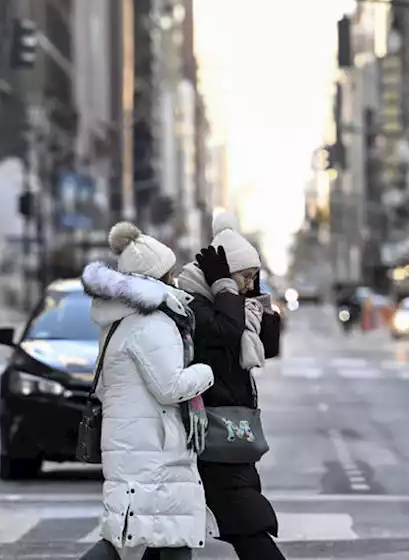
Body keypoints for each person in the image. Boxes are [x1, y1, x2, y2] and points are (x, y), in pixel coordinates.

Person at [78, 221, 215, 560]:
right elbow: (171, 387)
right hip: (152, 450)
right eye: (171, 273)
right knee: (152, 541)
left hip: (134, 443)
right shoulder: (152, 323)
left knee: (152, 539)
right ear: (159, 277)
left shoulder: (119, 320)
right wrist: (207, 371)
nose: (176, 280)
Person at [175, 212, 285, 559]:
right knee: (246, 520)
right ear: (221, 275)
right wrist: (225, 289)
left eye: (255, 277)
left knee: (170, 531)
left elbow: (271, 346)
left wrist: (259, 302)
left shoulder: (238, 306)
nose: (248, 285)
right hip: (212, 428)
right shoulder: (195, 304)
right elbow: (225, 332)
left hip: (233, 428)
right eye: (244, 277)